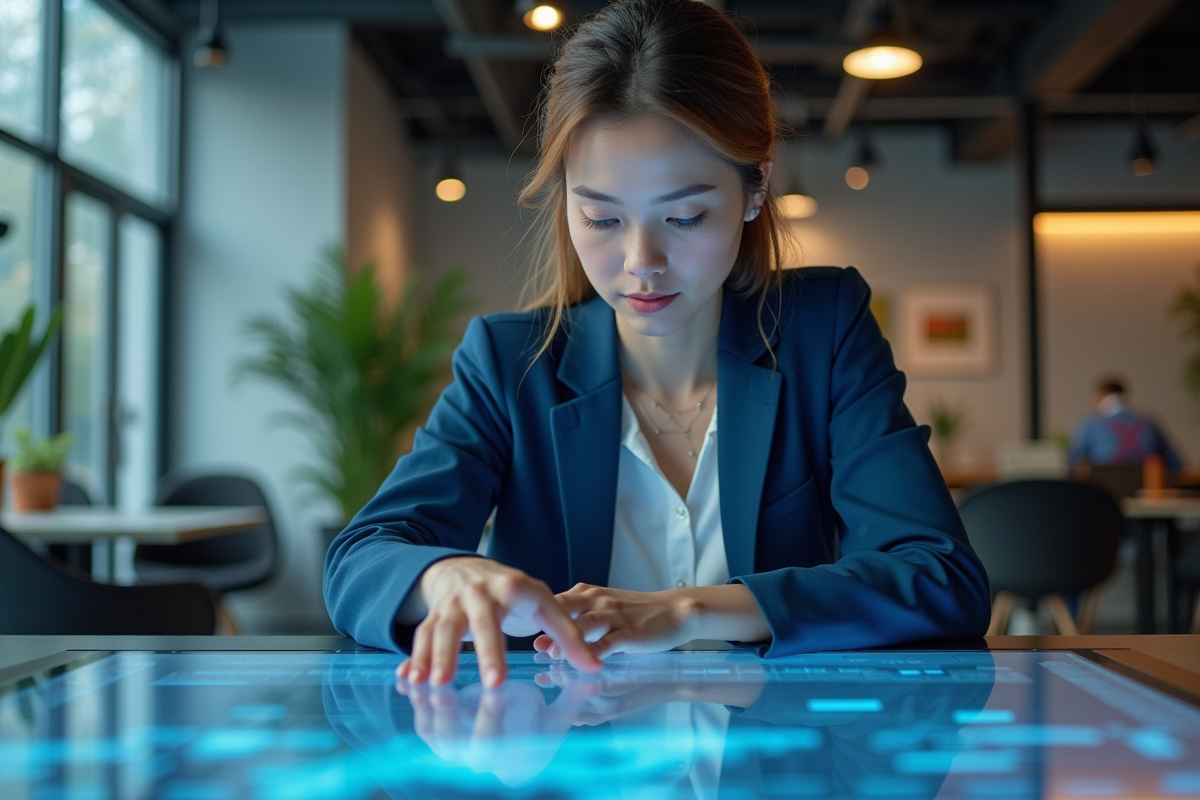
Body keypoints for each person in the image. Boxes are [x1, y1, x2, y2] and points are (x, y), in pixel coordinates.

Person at [323, 0, 991, 688]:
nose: (641, 260)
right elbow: (359, 561)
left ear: (757, 186)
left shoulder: (821, 331)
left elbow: (939, 577)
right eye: (601, 217)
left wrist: (688, 611)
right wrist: (445, 575)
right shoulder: (510, 364)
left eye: (685, 215)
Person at [1069, 375, 1182, 475]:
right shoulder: (1149, 422)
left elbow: (1072, 463)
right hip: (1145, 493)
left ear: (1098, 397)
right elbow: (1175, 463)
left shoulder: (1090, 424)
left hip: (1103, 492)